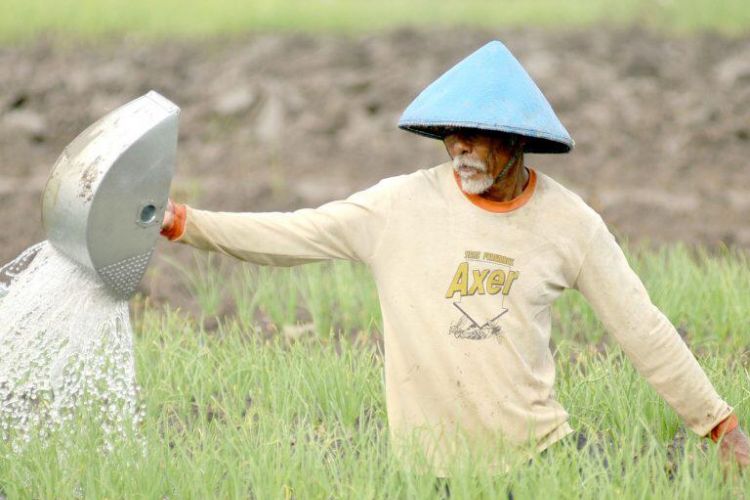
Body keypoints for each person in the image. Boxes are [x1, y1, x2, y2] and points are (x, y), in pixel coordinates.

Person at [160, 41, 749, 476]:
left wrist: (719, 423)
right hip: (429, 473)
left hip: (537, 459)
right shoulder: (398, 206)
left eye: (476, 134)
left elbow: (641, 326)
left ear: (516, 140)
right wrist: (187, 223)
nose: (460, 147)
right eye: (451, 134)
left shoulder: (569, 224)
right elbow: (293, 234)